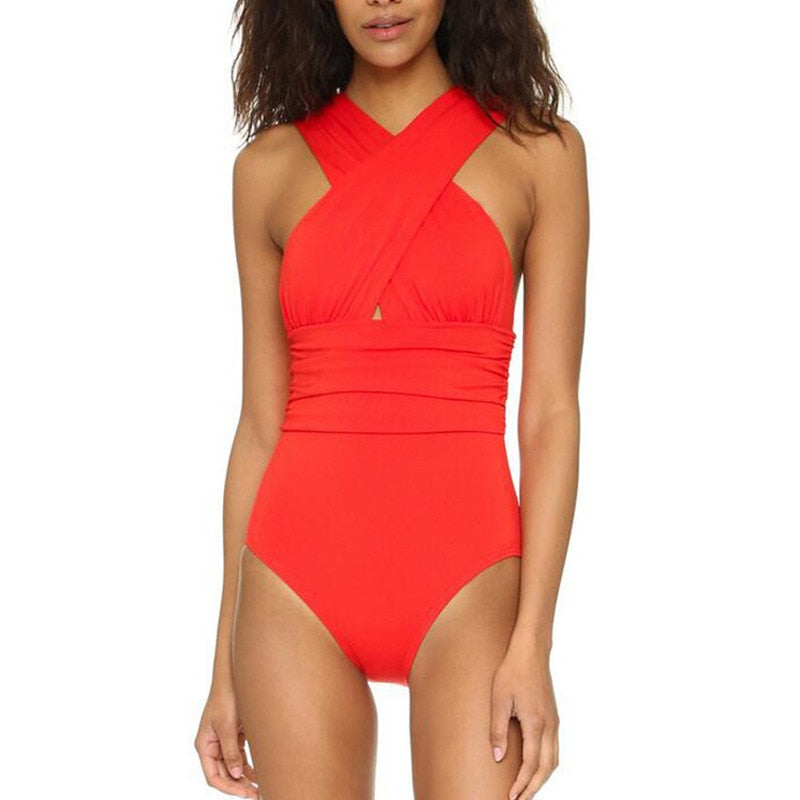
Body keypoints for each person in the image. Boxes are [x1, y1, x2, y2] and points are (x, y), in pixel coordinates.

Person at [195, 1, 589, 798]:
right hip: (293, 583)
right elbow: (260, 426)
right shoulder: (266, 169)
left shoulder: (539, 153)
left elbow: (550, 415)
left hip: (470, 578)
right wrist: (222, 666)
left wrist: (534, 641)